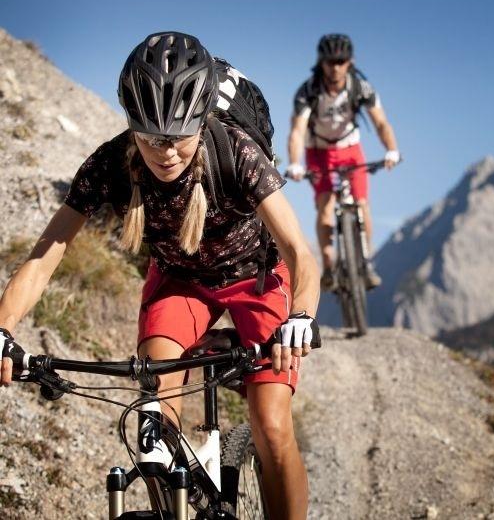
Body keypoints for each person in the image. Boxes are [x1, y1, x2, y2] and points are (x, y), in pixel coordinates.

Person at [0, 31, 319, 520]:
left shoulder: (236, 152)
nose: (166, 152)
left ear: (202, 120)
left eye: (179, 137)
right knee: (153, 430)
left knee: (272, 428)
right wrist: (2, 329)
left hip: (255, 277)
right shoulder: (109, 164)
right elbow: (45, 256)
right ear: (132, 125)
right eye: (151, 137)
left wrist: (301, 316)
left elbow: (299, 251)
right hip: (180, 281)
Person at [286, 33, 400, 291]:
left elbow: (381, 123)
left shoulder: (361, 87)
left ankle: (366, 262)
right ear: (321, 62)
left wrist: (392, 150)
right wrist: (294, 163)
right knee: (326, 206)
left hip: (350, 149)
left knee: (362, 204)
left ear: (350, 62)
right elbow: (297, 131)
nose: (335, 67)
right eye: (330, 62)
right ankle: (329, 266)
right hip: (318, 151)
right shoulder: (308, 91)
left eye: (341, 61)